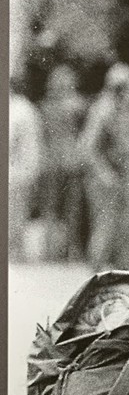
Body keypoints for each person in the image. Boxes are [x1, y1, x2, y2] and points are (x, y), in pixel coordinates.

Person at [80, 63, 129, 269]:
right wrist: (104, 173)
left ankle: (125, 270)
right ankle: (98, 272)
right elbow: (88, 148)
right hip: (107, 176)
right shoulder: (103, 111)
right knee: (106, 225)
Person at [37, 64, 88, 260]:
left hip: (66, 159)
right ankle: (54, 249)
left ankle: (65, 249)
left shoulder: (73, 105)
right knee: (57, 207)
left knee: (68, 208)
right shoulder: (51, 106)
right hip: (59, 159)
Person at [8, 76, 42, 262]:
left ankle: (14, 251)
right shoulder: (27, 107)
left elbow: (11, 140)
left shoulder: (17, 108)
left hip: (18, 169)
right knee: (19, 211)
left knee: (14, 212)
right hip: (27, 168)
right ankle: (16, 250)